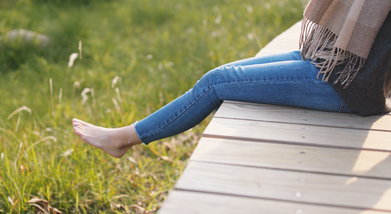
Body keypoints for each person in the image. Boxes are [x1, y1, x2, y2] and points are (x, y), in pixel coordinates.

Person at [73, 0, 391, 158]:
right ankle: (125, 136)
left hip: (343, 85)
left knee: (216, 82)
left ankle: (122, 139)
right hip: (328, 61)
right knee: (220, 76)